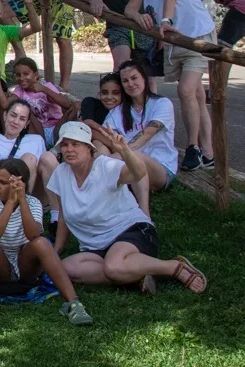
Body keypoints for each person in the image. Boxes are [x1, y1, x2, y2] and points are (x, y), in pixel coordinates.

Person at [48, 122, 207, 295]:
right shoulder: (61, 173)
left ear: (88, 148)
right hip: (95, 247)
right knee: (66, 268)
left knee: (114, 266)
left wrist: (124, 150)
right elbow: (63, 216)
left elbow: (138, 173)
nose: (69, 149)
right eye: (65, 144)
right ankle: (135, 275)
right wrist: (57, 251)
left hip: (130, 231)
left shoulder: (105, 166)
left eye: (75, 144)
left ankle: (174, 266)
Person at [124, 0, 216, 171]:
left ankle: (193, 148)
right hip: (174, 41)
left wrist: (164, 20)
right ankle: (209, 153)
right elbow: (129, 8)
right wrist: (139, 15)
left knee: (185, 90)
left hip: (195, 37)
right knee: (195, 96)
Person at [0, 158, 93, 329]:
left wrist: (21, 201)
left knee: (42, 242)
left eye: (3, 182)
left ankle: (74, 304)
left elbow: (33, 234)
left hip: (25, 266)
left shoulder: (33, 203)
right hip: (0, 267)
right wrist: (10, 203)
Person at [101, 59, 177, 215]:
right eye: (125, 81)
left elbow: (147, 133)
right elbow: (107, 135)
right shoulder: (119, 111)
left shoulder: (162, 104)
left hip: (161, 168)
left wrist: (119, 155)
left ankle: (144, 215)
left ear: (144, 78)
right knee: (102, 153)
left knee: (133, 157)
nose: (130, 84)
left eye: (134, 78)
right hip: (128, 163)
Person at [0, 97, 56, 193]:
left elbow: (43, 170)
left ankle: (53, 206)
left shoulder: (36, 140)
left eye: (22, 119)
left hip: (32, 192)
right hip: (1, 190)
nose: (15, 122)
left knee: (35, 158)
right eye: (13, 115)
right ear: (5, 115)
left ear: (26, 124)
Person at [10, 57, 76, 145]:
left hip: (56, 126)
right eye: (18, 75)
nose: (22, 78)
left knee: (76, 107)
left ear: (36, 75)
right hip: (36, 129)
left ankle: (57, 145)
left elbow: (67, 105)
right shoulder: (19, 90)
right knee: (26, 110)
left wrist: (44, 90)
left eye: (26, 74)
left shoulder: (46, 86)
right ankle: (42, 144)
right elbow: (6, 104)